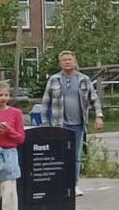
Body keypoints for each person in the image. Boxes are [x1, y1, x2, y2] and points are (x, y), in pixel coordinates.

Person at [38, 50, 104, 196]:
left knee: (75, 156)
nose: (67, 62)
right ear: (60, 63)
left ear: (74, 61)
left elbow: (94, 99)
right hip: (59, 125)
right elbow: (45, 102)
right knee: (59, 155)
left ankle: (74, 184)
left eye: (69, 59)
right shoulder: (54, 80)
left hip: (78, 125)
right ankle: (59, 184)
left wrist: (99, 116)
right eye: (64, 60)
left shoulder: (84, 79)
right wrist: (44, 123)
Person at [0, 81, 26, 210]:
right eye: (0, 95)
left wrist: (9, 130)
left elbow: (21, 138)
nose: (3, 98)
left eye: (6, 95)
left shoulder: (15, 113)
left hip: (9, 154)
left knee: (9, 193)